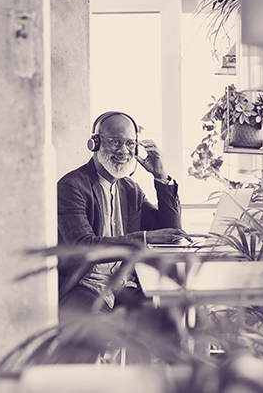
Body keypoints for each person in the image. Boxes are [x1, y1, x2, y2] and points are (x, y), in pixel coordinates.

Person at [57, 111, 189, 320]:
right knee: (100, 330)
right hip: (84, 286)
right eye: (116, 142)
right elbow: (83, 247)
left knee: (178, 317)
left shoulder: (130, 189)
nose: (124, 151)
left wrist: (161, 177)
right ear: (95, 143)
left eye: (130, 144)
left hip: (125, 285)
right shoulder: (71, 186)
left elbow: (171, 233)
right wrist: (144, 240)